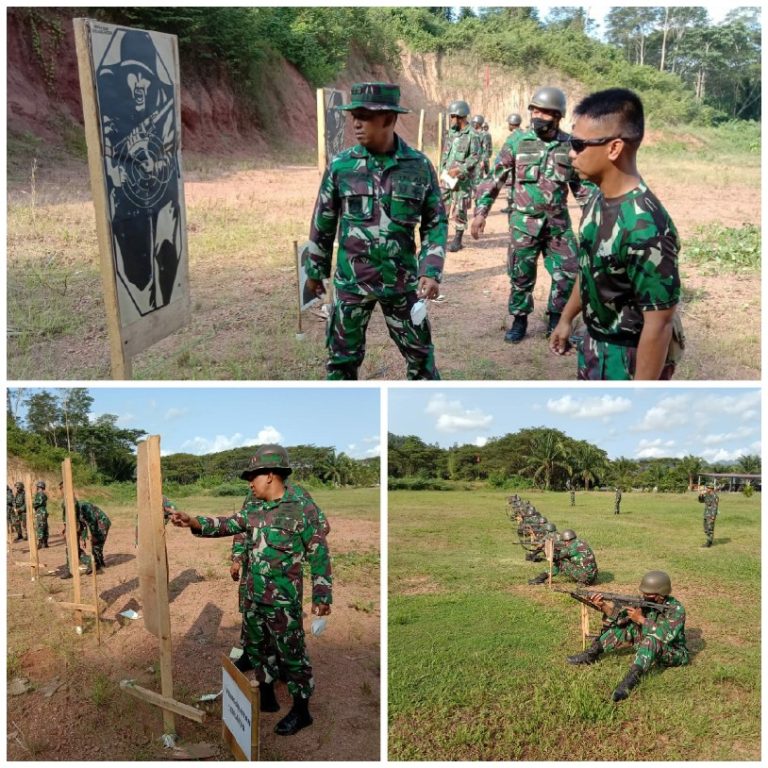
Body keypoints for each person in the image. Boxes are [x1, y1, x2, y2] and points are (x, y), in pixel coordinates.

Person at [168, 444, 332, 736]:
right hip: (255, 597)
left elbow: (319, 552)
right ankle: (266, 693)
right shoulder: (254, 508)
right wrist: (193, 521)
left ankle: (301, 710)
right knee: (258, 648)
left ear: (269, 475)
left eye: (252, 476)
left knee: (292, 654)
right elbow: (227, 524)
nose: (249, 483)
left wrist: (322, 596)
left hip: (283, 602)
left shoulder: (302, 508)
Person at [302, 82, 446, 380]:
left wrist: (431, 269)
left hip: (401, 282)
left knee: (421, 357)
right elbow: (323, 221)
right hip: (352, 283)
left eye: (365, 116)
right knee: (341, 361)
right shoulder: (341, 166)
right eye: (354, 115)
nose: (356, 123)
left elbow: (435, 222)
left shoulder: (418, 166)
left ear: (389, 119)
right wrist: (315, 271)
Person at [549, 88, 682, 380]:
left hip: (631, 357)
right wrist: (567, 318)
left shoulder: (646, 228)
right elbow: (588, 267)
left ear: (614, 148)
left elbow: (659, 324)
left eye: (579, 144)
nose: (571, 153)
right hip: (595, 344)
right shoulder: (598, 200)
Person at [471, 86, 592, 344]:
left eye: (543, 112)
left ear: (557, 116)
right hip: (524, 225)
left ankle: (556, 320)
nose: (537, 116)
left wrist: (597, 219)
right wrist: (481, 212)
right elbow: (495, 178)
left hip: (557, 226)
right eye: (534, 110)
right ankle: (519, 320)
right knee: (520, 274)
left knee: (569, 272)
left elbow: (583, 189)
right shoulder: (517, 141)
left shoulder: (569, 145)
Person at [97, 28, 182, 315]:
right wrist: (114, 169)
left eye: (145, 76)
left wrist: (156, 165)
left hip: (160, 191)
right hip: (128, 201)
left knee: (167, 250)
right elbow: (106, 144)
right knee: (137, 276)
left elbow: (170, 150)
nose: (139, 84)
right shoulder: (111, 99)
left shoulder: (163, 101)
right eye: (132, 75)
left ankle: (165, 308)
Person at [566, 570, 688, 702]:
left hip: (673, 652)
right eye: (644, 593)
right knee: (623, 628)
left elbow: (665, 635)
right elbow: (620, 619)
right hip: (647, 642)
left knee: (652, 640)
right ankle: (592, 653)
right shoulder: (643, 602)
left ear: (661, 595)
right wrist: (604, 606)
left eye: (648, 594)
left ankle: (631, 680)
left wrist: (641, 620)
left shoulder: (676, 609)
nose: (644, 596)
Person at [441, 99, 482, 252]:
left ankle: (458, 239)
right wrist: (443, 170)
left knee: (460, 207)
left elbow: (475, 157)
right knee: (442, 204)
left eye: (453, 116)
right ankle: (441, 236)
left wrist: (460, 169)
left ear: (460, 116)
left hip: (462, 178)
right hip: (447, 176)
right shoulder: (452, 132)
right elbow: (446, 153)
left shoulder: (473, 135)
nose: (451, 119)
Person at [530, 528, 596, 585]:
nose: (564, 543)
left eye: (564, 541)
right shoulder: (581, 542)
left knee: (560, 563)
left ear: (567, 540)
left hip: (585, 577)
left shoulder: (570, 547)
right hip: (593, 575)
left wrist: (546, 551)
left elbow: (556, 558)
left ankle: (541, 578)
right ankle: (541, 577)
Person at [500, 113, 523, 213]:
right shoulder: (526, 134)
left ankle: (511, 205)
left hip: (512, 165)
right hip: (523, 166)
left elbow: (505, 155)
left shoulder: (511, 137)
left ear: (511, 124)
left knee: (510, 185)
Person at [697, 483, 719, 547]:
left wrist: (713, 517)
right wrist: (700, 495)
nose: (706, 489)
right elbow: (701, 501)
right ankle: (709, 540)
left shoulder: (715, 496)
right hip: (706, 514)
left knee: (710, 529)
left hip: (711, 515)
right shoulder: (707, 495)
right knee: (705, 529)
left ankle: (709, 543)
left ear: (711, 489)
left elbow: (715, 507)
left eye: (707, 488)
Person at [33, 480, 49, 548]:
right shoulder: (43, 494)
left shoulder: (40, 494)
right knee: (44, 526)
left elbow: (39, 502)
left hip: (40, 512)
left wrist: (32, 504)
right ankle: (45, 543)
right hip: (43, 511)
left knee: (40, 526)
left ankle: (40, 543)